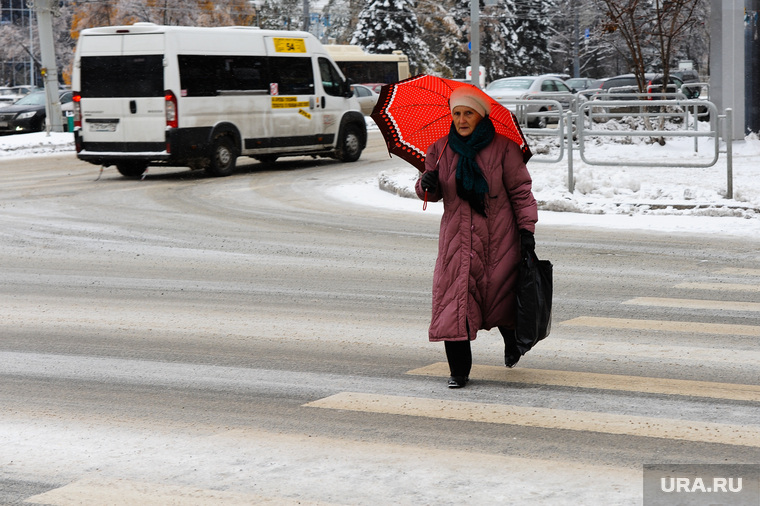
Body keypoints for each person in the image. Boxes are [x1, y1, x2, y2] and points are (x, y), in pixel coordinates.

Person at [414, 86, 538, 388]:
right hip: (456, 241)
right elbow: (429, 192)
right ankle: (459, 371)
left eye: (468, 113)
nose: (461, 119)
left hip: (499, 240)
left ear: (480, 115)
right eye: (456, 113)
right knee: (453, 303)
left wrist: (526, 231)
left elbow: (521, 193)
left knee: (500, 300)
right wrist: (426, 183)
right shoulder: (440, 148)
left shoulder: (504, 148)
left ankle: (513, 340)